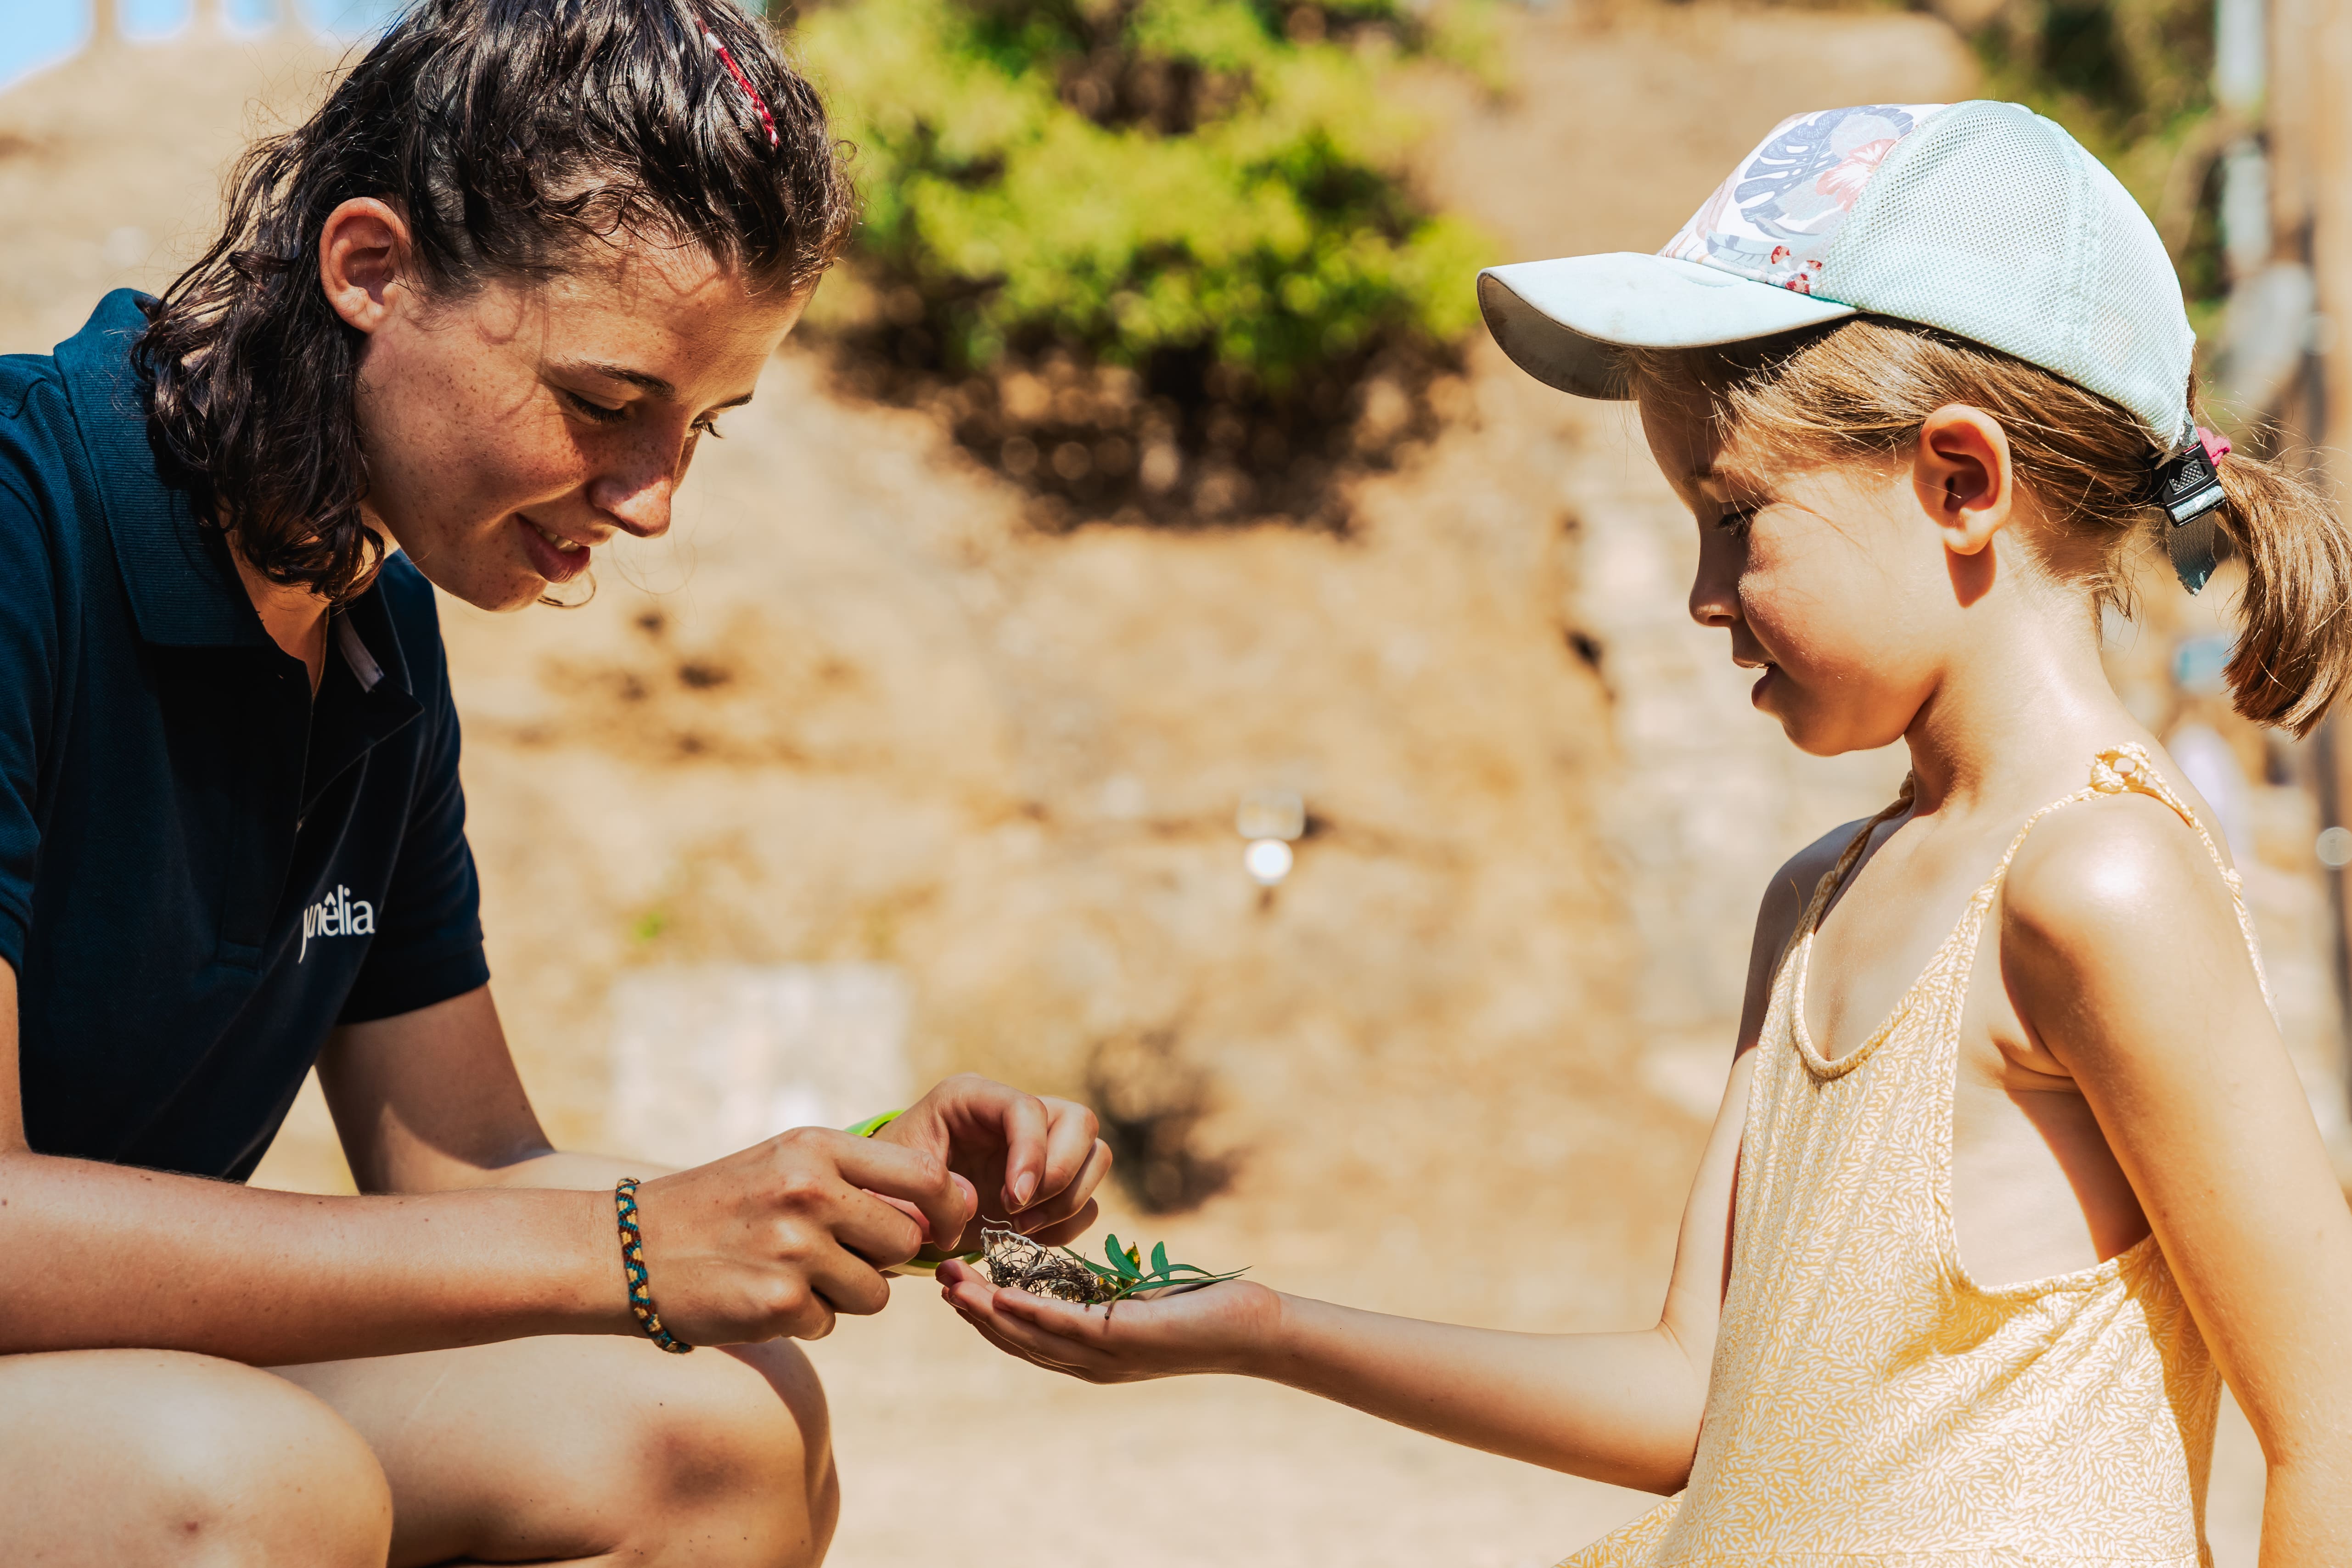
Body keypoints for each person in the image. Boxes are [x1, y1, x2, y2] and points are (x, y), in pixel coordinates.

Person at [942, 102, 2352, 1562]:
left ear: (1959, 484)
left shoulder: (2098, 882)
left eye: (1734, 518)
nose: (1700, 595)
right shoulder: (1816, 901)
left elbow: (2329, 1431)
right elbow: (1695, 1396)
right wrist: (1262, 1329)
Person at [0, 2, 1111, 1562]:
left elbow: (468, 1168)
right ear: (370, 269)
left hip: (79, 1386)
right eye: (604, 403)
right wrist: (630, 1248)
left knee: (709, 1436)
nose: (656, 503)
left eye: (703, 425)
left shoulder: (368, 623)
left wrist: (848, 1188)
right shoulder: (23, 530)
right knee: (240, 1483)